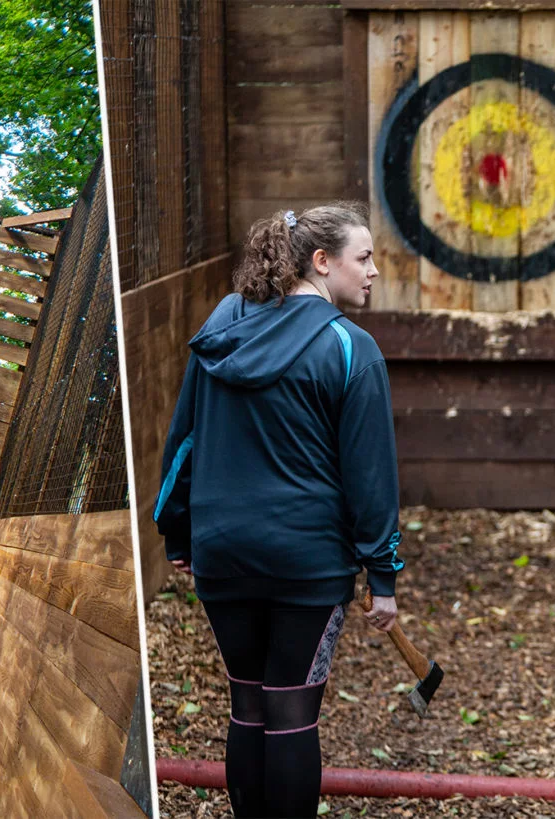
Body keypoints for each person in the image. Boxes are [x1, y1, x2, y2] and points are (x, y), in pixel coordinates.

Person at [153, 202, 404, 819]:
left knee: (247, 705)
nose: (373, 272)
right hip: (307, 564)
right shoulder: (352, 347)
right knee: (291, 710)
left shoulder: (222, 325)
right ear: (322, 262)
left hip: (223, 554)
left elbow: (183, 440)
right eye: (363, 258)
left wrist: (179, 534)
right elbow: (370, 478)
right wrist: (384, 578)